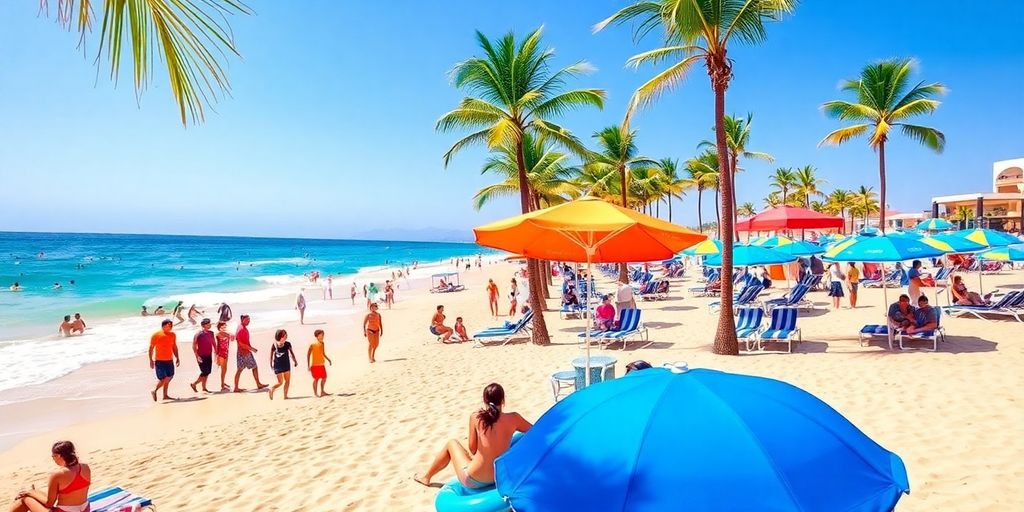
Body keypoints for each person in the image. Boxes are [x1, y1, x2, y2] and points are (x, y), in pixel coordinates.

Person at [415, 383, 532, 488]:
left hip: (474, 480)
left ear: (485, 401)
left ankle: (426, 477)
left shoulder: (476, 418)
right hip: (500, 477)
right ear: (503, 400)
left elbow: (473, 449)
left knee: (452, 444)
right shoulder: (514, 418)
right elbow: (536, 431)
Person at [8, 441, 91, 512]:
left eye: (53, 456)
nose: (53, 459)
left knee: (25, 499)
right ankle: (31, 492)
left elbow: (49, 503)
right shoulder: (85, 467)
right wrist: (32, 492)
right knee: (35, 493)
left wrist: (29, 493)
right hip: (85, 509)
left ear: (58, 456)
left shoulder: (58, 474)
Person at [233, 315, 267, 392]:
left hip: (244, 351)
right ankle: (258, 384)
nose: (248, 321)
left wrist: (250, 348)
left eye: (249, 320)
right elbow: (240, 343)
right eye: (247, 320)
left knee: (241, 369)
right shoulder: (241, 329)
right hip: (244, 352)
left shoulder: (241, 327)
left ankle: (236, 387)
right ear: (242, 320)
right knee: (251, 367)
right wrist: (252, 349)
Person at [148, 319, 180, 402]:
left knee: (169, 377)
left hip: (169, 360)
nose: (171, 327)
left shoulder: (173, 335)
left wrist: (177, 357)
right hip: (159, 361)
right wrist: (151, 360)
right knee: (163, 379)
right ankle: (154, 390)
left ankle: (165, 395)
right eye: (169, 325)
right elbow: (151, 348)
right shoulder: (156, 335)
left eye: (171, 325)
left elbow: (174, 346)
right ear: (164, 326)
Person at [268, 329, 298, 400]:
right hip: (285, 365)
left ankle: (272, 388)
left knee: (280, 382)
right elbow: (292, 354)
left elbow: (271, 355)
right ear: (281, 336)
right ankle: (285, 396)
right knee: (287, 381)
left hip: (277, 366)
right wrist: (295, 361)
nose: (286, 335)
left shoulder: (274, 344)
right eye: (285, 334)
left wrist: (271, 365)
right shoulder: (287, 344)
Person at [190, 319, 216, 393]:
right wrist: (197, 355)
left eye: (210, 324)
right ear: (203, 325)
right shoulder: (198, 334)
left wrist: (216, 352)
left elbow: (214, 343)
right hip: (201, 355)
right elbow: (194, 345)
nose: (210, 325)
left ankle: (204, 388)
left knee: (208, 372)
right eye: (208, 324)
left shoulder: (211, 333)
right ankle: (194, 384)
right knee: (204, 372)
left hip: (209, 354)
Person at [307, 329, 333, 397]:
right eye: (321, 335)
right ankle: (315, 393)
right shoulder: (312, 344)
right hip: (314, 365)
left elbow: (323, 353)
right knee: (316, 379)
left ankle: (322, 391)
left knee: (324, 377)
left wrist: (328, 359)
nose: (322, 336)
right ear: (317, 336)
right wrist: (308, 365)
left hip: (321, 364)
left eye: (323, 335)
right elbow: (308, 354)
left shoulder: (322, 343)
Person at [214, 321, 234, 391]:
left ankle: (223, 382)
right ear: (219, 327)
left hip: (226, 352)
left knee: (225, 369)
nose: (224, 328)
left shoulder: (227, 334)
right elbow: (216, 345)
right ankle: (222, 385)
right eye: (222, 327)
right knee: (223, 369)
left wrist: (230, 334)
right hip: (221, 353)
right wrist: (216, 357)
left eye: (225, 326)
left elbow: (233, 339)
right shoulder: (218, 334)